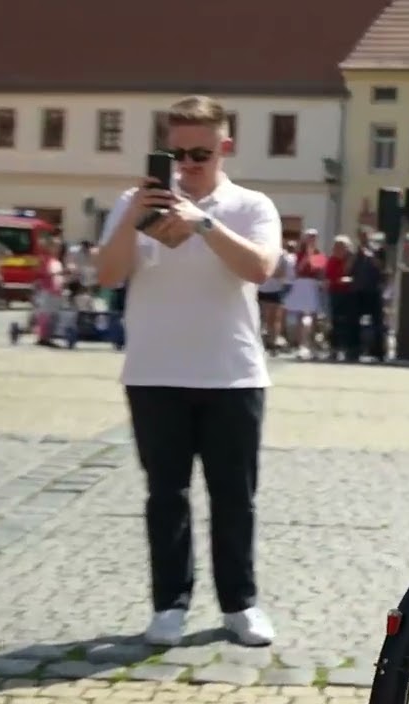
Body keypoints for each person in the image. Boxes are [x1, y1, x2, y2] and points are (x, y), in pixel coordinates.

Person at [93, 95, 280, 648]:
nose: (188, 164)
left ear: (225, 146)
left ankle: (240, 604)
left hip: (232, 373)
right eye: (177, 153)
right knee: (165, 496)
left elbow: (262, 269)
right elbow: (106, 275)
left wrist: (203, 224)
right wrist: (133, 219)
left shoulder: (250, 205)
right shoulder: (133, 202)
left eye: (201, 152)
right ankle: (169, 605)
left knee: (234, 497)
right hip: (154, 372)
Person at [286, 229, 326, 359]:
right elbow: (298, 271)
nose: (312, 239)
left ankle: (311, 345)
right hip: (301, 285)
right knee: (301, 317)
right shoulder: (299, 254)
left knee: (312, 317)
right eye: (309, 237)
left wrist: (314, 257)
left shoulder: (318, 253)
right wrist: (307, 256)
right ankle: (302, 346)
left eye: (314, 237)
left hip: (312, 285)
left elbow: (319, 273)